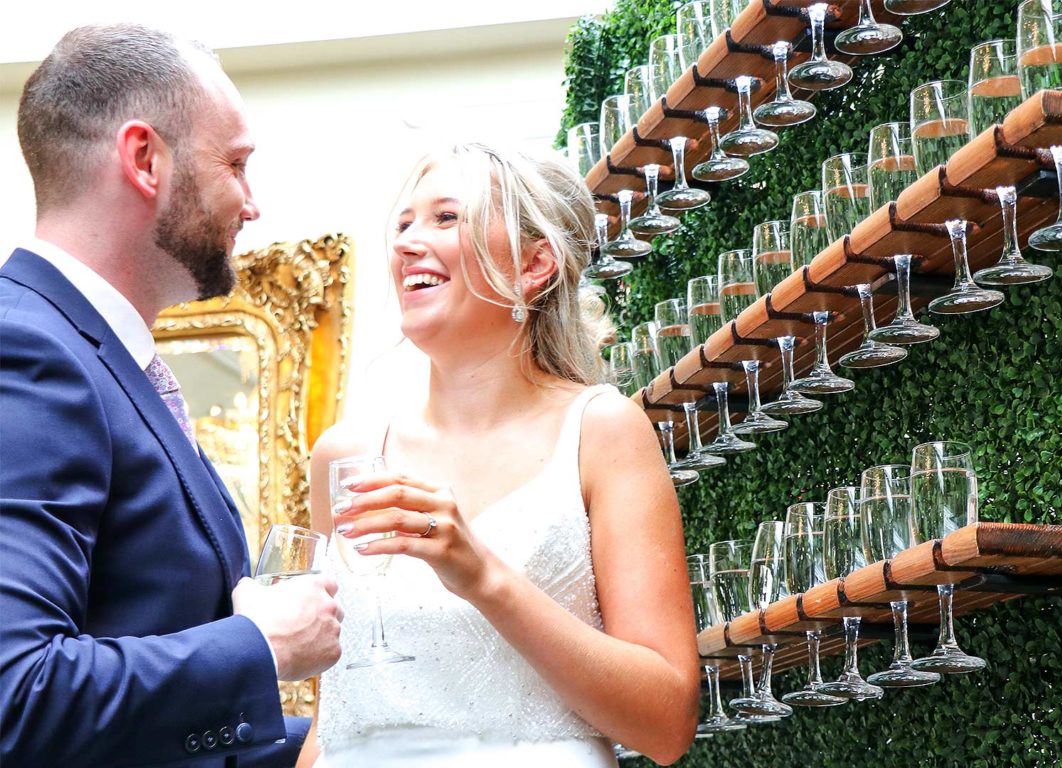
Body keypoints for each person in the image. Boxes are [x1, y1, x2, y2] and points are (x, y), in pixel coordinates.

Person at [0, 24, 344, 767]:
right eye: (237, 164)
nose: (251, 204)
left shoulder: (105, 359)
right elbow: (15, 697)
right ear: (143, 159)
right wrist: (259, 645)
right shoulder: (25, 350)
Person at [300, 144, 699, 767]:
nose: (405, 243)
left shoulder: (601, 431)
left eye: (445, 218)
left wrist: (483, 577)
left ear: (534, 265)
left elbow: (667, 722)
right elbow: (336, 718)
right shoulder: (345, 456)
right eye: (403, 224)